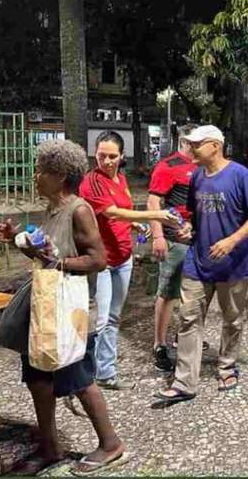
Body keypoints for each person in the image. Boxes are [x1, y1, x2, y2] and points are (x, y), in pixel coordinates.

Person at [0, 139, 125, 476]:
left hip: (70, 310)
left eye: (42, 171)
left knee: (79, 379)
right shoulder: (50, 209)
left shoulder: (79, 209)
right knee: (37, 378)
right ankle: (50, 447)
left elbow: (98, 259)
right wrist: (16, 238)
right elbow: (46, 255)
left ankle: (111, 444)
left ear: (61, 175)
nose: (36, 177)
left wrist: (59, 262)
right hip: (44, 306)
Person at [153, 126, 248, 406]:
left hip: (233, 265)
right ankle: (184, 382)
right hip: (198, 262)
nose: (190, 148)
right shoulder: (198, 177)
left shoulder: (240, 175)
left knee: (233, 319)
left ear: (215, 145)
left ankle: (227, 367)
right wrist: (188, 229)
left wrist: (233, 240)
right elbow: (193, 214)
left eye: (197, 144)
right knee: (189, 318)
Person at [79, 131, 178, 389]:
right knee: (101, 320)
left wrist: (134, 223)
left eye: (113, 156)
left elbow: (121, 211)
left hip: (123, 256)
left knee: (113, 316)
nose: (107, 161)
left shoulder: (120, 178)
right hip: (101, 259)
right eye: (102, 155)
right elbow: (110, 213)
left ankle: (104, 372)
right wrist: (153, 216)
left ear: (122, 156)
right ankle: (95, 373)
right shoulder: (92, 181)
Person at [147, 124, 199, 373]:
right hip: (174, 238)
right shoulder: (168, 166)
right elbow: (153, 201)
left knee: (191, 292)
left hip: (197, 239)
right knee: (167, 292)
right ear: (186, 141)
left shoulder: (203, 166)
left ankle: (182, 336)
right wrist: (157, 235)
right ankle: (159, 345)